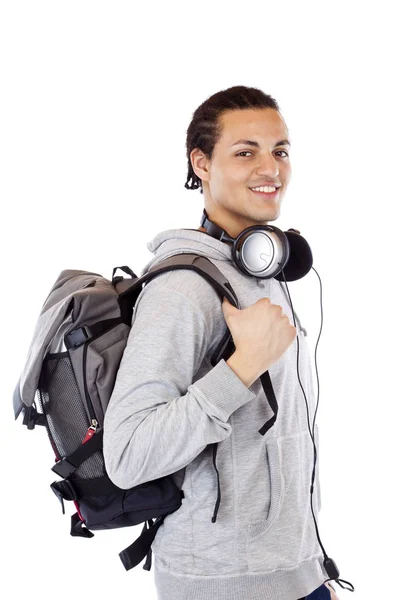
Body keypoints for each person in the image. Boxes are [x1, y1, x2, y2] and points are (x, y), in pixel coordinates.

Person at [103, 85, 339, 600]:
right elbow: (127, 456)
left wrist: (313, 567)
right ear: (201, 163)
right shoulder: (181, 291)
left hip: (297, 575)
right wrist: (240, 370)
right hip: (219, 585)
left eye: (279, 150)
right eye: (245, 151)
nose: (270, 168)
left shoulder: (264, 270)